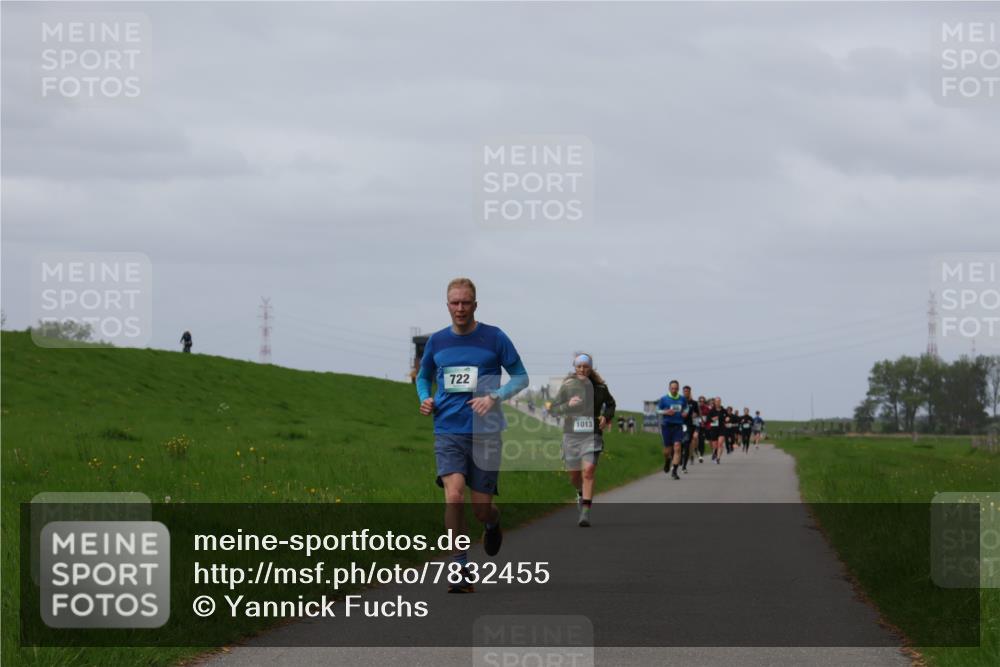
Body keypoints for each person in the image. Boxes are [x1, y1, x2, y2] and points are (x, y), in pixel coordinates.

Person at [416, 278, 529, 593]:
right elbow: (423, 376)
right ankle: (459, 568)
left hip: (486, 432)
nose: (460, 308)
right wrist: (425, 397)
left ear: (475, 305)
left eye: (466, 302)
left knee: (480, 509)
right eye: (455, 303)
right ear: (447, 305)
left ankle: (492, 522)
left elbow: (521, 377)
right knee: (453, 495)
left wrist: (495, 396)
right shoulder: (438, 342)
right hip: (448, 429)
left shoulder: (494, 337)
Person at [547, 353, 616, 527]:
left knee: (589, 471)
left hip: (592, 434)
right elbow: (553, 410)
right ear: (575, 367)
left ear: (590, 367)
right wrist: (567, 405)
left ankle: (585, 511)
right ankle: (580, 492)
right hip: (571, 435)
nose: (582, 369)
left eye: (586, 366)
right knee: (574, 476)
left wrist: (606, 417)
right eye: (579, 366)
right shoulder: (568, 386)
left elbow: (611, 403)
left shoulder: (600, 387)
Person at [657, 380, 686, 479]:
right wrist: (666, 412)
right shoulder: (664, 399)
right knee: (667, 451)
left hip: (678, 426)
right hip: (667, 426)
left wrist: (685, 412)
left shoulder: (682, 399)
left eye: (675, 388)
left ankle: (674, 471)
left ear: (678, 389)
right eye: (672, 388)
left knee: (677, 447)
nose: (674, 390)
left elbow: (686, 408)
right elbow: (657, 410)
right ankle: (667, 460)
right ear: (669, 388)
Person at [680, 385, 697, 473]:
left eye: (687, 391)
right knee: (679, 445)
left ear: (690, 392)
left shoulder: (694, 403)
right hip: (679, 425)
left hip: (689, 426)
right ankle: (678, 460)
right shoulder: (679, 401)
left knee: (686, 445)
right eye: (684, 391)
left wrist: (695, 415)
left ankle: (684, 466)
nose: (686, 392)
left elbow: (697, 414)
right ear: (682, 392)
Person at [707, 397, 725, 464]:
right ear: (714, 402)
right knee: (715, 445)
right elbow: (708, 419)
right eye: (717, 401)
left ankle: (718, 458)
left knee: (720, 443)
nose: (718, 402)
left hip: (722, 429)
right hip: (714, 429)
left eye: (719, 401)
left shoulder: (723, 410)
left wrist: (727, 419)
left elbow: (727, 417)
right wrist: (712, 419)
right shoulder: (711, 411)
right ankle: (714, 453)